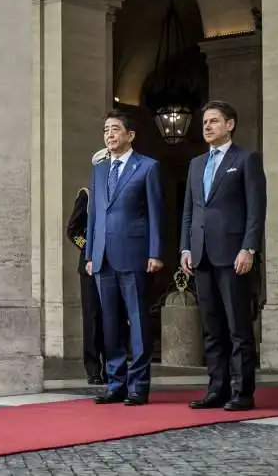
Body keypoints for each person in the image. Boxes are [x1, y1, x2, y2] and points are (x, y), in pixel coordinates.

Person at [180, 99, 266, 412]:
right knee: (212, 327)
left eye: (214, 121)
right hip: (200, 254)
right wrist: (185, 247)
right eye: (205, 122)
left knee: (238, 327)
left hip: (233, 255)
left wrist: (249, 247)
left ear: (230, 124)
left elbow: (256, 209)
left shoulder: (246, 159)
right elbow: (189, 211)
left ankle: (242, 392)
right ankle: (216, 389)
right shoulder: (196, 164)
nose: (207, 126)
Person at [85, 110, 164, 405]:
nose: (109, 135)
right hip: (103, 257)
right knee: (110, 323)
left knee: (138, 322)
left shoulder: (147, 167)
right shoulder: (99, 170)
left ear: (130, 135)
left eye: (115, 129)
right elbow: (93, 216)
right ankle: (115, 382)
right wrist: (91, 254)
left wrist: (155, 252)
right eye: (106, 129)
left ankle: (138, 385)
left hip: (134, 254)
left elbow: (156, 212)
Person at [65, 148, 110, 385]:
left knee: (112, 317)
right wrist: (89, 250)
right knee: (93, 317)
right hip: (91, 266)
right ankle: (94, 368)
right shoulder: (88, 195)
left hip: (113, 263)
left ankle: (113, 365)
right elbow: (72, 231)